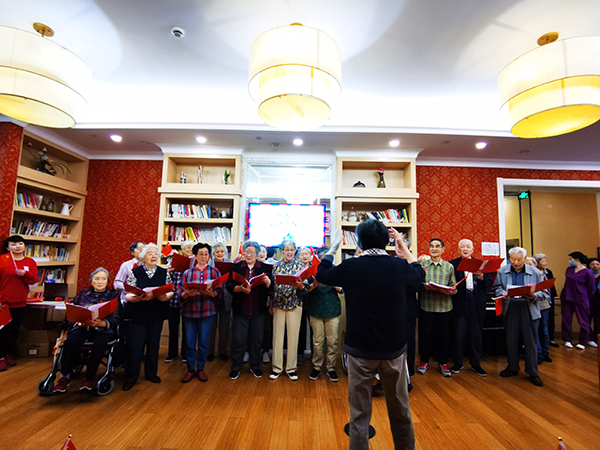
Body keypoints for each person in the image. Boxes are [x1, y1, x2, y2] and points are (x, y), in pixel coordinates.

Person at [317, 221, 424, 450]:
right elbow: (419, 273)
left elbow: (322, 274)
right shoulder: (399, 266)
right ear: (386, 241)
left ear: (360, 242)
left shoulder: (352, 266)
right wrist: (403, 246)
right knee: (400, 410)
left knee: (359, 414)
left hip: (360, 349)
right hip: (394, 349)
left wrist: (333, 249)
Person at [53, 268, 121, 393]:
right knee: (72, 339)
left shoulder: (113, 296)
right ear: (91, 281)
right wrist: (79, 322)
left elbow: (116, 318)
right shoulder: (82, 294)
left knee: (100, 343)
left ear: (108, 281)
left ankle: (89, 377)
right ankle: (64, 376)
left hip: (102, 329)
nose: (100, 282)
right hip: (83, 327)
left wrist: (102, 323)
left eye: (103, 279)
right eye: (97, 279)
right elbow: (72, 314)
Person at [123, 244, 173, 391]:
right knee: (135, 346)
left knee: (153, 344)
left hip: (156, 313)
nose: (154, 256)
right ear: (143, 257)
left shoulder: (164, 272)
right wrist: (135, 298)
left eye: (156, 253)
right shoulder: (135, 272)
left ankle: (151, 373)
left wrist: (166, 297)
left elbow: (171, 290)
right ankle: (131, 377)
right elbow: (128, 293)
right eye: (150, 253)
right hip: (138, 313)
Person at [494, 247, 544, 386]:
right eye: (513, 259)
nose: (516, 262)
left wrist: (533, 295)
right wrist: (502, 293)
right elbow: (497, 288)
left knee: (530, 342)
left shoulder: (535, 272)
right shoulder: (502, 271)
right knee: (511, 340)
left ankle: (533, 372)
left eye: (519, 260)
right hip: (510, 307)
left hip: (528, 307)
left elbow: (544, 293)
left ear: (525, 259)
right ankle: (512, 367)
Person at [226, 240, 273, 380]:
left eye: (252, 252)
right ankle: (236, 368)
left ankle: (255, 366)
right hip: (241, 310)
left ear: (257, 254)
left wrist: (268, 283)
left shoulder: (265, 268)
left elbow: (272, 289)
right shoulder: (237, 267)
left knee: (256, 341)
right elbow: (229, 285)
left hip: (258, 311)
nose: (249, 255)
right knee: (238, 341)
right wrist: (239, 288)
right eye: (246, 252)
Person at [178, 242, 222, 383]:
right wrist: (186, 294)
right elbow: (180, 293)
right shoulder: (188, 273)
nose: (203, 256)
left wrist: (212, 293)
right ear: (195, 256)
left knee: (203, 342)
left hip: (207, 311)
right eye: (200, 254)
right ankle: (190, 369)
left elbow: (219, 292)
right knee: (190, 342)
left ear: (209, 256)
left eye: (206, 254)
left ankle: (201, 368)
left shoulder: (215, 272)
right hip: (189, 312)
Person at [449, 239, 492, 377]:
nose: (465, 249)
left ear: (473, 250)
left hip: (476, 302)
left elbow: (489, 283)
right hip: (459, 302)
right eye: (463, 247)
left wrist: (482, 277)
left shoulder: (481, 264)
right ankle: (457, 363)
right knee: (458, 334)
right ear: (459, 250)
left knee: (476, 335)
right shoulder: (452, 264)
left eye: (468, 247)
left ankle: (476, 364)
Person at [417, 238, 456, 377]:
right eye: (432, 246)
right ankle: (423, 362)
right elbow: (416, 283)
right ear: (429, 249)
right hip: (426, 306)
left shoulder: (449, 267)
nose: (434, 249)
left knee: (444, 337)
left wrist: (451, 291)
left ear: (443, 249)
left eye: (437, 246)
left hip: (444, 308)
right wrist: (424, 286)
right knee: (425, 336)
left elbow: (453, 286)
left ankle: (443, 363)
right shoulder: (422, 265)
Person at [0, 235, 39, 372]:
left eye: (20, 244)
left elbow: (34, 280)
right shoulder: (2, 260)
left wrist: (25, 274)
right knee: (2, 331)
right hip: (3, 303)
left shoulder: (30, 262)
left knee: (14, 331)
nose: (17, 246)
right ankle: (0, 357)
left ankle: (6, 354)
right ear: (7, 247)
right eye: (14, 244)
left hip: (20, 302)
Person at [270, 239, 306, 381]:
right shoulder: (276, 266)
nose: (289, 252)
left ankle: (291, 368)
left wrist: (301, 286)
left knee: (293, 337)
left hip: (294, 304)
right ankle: (276, 368)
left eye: (292, 250)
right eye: (286, 250)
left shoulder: (300, 266)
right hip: (278, 304)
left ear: (295, 251)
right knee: (277, 337)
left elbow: (306, 288)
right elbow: (272, 288)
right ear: (282, 251)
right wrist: (271, 304)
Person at [307, 247, 342, 382]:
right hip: (316, 309)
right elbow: (305, 290)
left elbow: (343, 289)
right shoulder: (312, 272)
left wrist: (336, 286)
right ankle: (317, 366)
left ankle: (331, 368)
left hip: (332, 310)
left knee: (332, 341)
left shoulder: (336, 271)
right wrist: (314, 285)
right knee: (317, 341)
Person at [560, 251, 596, 350]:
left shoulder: (588, 273)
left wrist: (585, 296)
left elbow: (591, 288)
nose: (569, 261)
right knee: (566, 319)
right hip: (567, 297)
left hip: (581, 299)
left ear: (577, 260)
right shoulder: (569, 270)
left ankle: (583, 341)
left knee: (583, 321)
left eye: (571, 259)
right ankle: (567, 339)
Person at [165, 240, 194, 364]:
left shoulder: (195, 263)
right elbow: (167, 281)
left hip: (187, 300)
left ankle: (185, 354)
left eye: (192, 248)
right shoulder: (174, 261)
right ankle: (172, 353)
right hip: (174, 300)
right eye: (188, 247)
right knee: (173, 328)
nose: (190, 250)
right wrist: (168, 272)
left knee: (187, 329)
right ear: (182, 250)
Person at [207, 242, 232, 362]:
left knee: (224, 326)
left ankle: (222, 351)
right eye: (217, 252)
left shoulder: (230, 264)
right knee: (211, 327)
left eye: (222, 252)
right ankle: (209, 352)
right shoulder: (208, 265)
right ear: (213, 253)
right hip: (212, 297)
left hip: (226, 296)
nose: (220, 254)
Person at [532, 253, 553, 363]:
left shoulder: (546, 273)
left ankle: (545, 352)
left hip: (544, 304)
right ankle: (538, 353)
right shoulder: (532, 275)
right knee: (535, 330)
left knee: (544, 330)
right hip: (532, 304)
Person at [535, 254, 559, 347]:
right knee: (541, 324)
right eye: (543, 261)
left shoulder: (548, 272)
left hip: (549, 298)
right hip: (539, 300)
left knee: (550, 320)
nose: (545, 263)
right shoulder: (535, 273)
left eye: (545, 261)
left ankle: (550, 339)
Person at [297, 247, 312, 365]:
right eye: (301, 254)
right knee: (300, 329)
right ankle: (299, 354)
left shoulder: (315, 268)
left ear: (310, 256)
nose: (304, 256)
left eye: (306, 254)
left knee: (314, 329)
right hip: (299, 301)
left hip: (313, 302)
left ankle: (314, 355)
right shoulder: (296, 268)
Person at [587, 257, 600, 347]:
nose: (595, 266)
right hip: (587, 300)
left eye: (597, 264)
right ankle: (589, 338)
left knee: (598, 321)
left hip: (599, 301)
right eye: (592, 264)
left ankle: (597, 339)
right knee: (586, 320)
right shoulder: (587, 275)